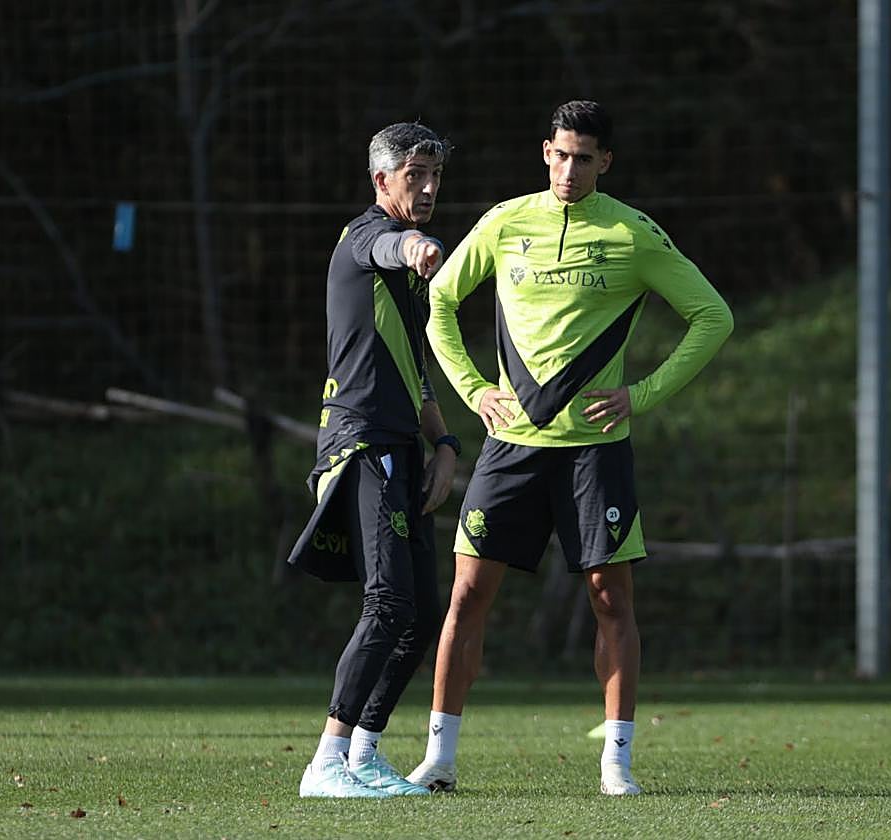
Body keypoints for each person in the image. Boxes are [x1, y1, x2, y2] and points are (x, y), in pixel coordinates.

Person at [406, 100, 734, 795]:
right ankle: (439, 757)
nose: (569, 168)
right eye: (560, 154)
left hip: (595, 452)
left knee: (611, 602)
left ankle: (616, 761)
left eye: (584, 157)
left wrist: (640, 395)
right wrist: (471, 390)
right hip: (509, 449)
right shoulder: (504, 222)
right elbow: (437, 302)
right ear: (544, 153)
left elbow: (713, 316)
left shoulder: (631, 232)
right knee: (467, 595)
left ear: (604, 162)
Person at [286, 121, 462, 797]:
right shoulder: (366, 238)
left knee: (420, 609)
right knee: (388, 601)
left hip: (400, 446)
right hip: (360, 444)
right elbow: (396, 244)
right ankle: (325, 763)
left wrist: (444, 444)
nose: (426, 187)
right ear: (380, 180)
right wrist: (417, 245)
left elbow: (412, 371)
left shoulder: (406, 290)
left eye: (435, 176)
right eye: (413, 174)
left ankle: (363, 754)